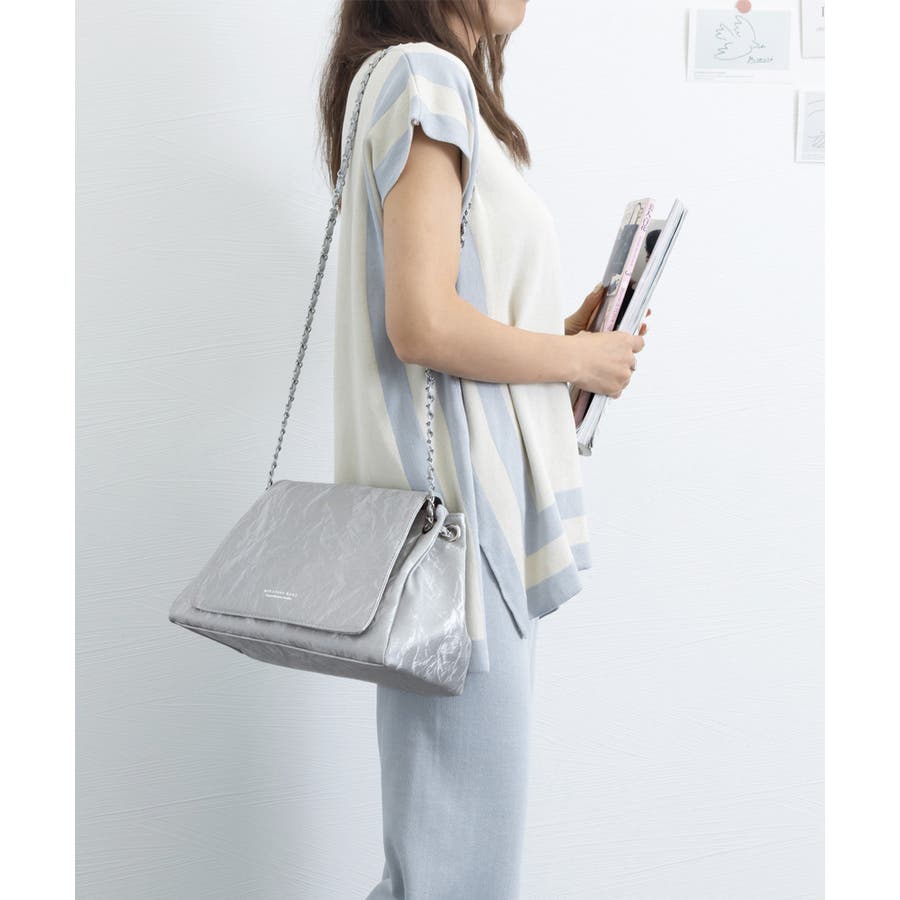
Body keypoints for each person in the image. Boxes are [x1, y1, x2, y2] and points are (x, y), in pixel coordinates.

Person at [317, 2, 649, 897]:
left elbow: (443, 315)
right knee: (454, 874)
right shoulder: (424, 75)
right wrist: (575, 359)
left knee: (440, 864)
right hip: (463, 549)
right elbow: (422, 324)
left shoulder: (403, 77)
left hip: (454, 538)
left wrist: (559, 340)